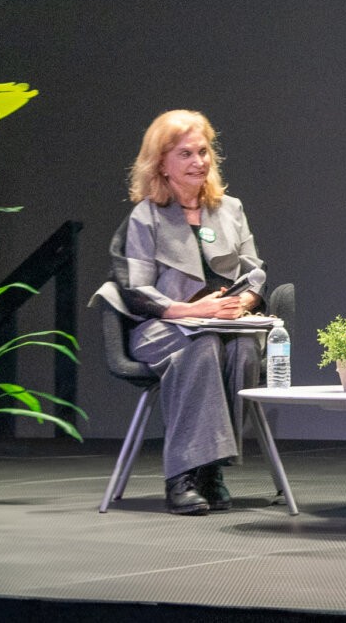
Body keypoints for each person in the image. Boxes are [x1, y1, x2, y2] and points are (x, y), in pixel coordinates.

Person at [97, 110, 265, 516]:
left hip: (224, 323)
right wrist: (189, 310)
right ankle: (183, 475)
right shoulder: (145, 217)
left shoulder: (231, 209)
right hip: (161, 327)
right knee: (201, 346)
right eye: (186, 154)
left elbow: (254, 270)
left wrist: (242, 303)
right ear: (162, 164)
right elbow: (135, 289)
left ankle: (210, 469)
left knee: (241, 350)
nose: (199, 162)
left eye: (204, 152)